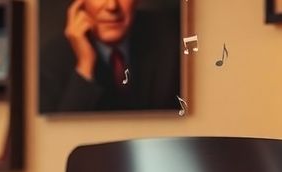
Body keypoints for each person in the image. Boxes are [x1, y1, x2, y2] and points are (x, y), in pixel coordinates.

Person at [40, 0, 180, 113]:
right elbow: (63, 137)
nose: (112, 6)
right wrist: (85, 65)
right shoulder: (51, 59)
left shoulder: (170, 38)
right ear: (79, 3)